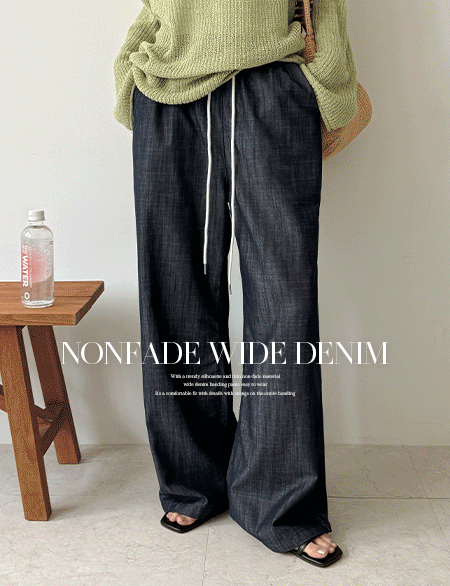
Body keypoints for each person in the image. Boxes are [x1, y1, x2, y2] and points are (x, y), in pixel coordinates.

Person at [113, 0, 358, 569]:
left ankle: (282, 501)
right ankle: (192, 480)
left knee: (284, 302)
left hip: (270, 85)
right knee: (174, 291)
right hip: (169, 92)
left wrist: (323, 84)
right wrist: (131, 77)